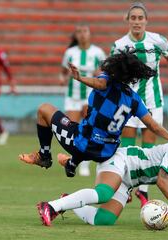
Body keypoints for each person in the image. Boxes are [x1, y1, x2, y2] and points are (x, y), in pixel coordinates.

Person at [19, 49, 168, 178]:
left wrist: (80, 78)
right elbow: (153, 125)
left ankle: (44, 156)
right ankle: (71, 164)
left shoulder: (106, 80)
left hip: (83, 144)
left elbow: (99, 83)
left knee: (44, 109)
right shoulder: (134, 99)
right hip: (107, 152)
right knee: (89, 127)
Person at [35, 134, 168, 227]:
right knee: (104, 193)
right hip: (121, 160)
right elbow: (162, 181)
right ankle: (51, 206)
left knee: (104, 221)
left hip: (128, 181)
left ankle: (69, 201)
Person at [110, 2, 168, 206]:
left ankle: (143, 190)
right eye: (133, 18)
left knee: (149, 146)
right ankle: (125, 186)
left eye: (140, 18)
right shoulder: (119, 45)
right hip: (127, 102)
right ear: (128, 20)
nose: (137, 21)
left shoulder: (158, 41)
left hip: (153, 101)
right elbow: (112, 72)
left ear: (146, 20)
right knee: (126, 146)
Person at [60, 25, 106, 176]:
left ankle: (85, 164)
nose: (82, 34)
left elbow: (105, 72)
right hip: (72, 95)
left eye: (85, 31)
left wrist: (98, 73)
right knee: (72, 130)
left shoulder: (97, 52)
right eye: (79, 32)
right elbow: (63, 71)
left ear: (90, 33)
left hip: (89, 95)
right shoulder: (70, 53)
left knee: (88, 129)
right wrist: (63, 78)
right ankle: (74, 160)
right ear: (76, 35)